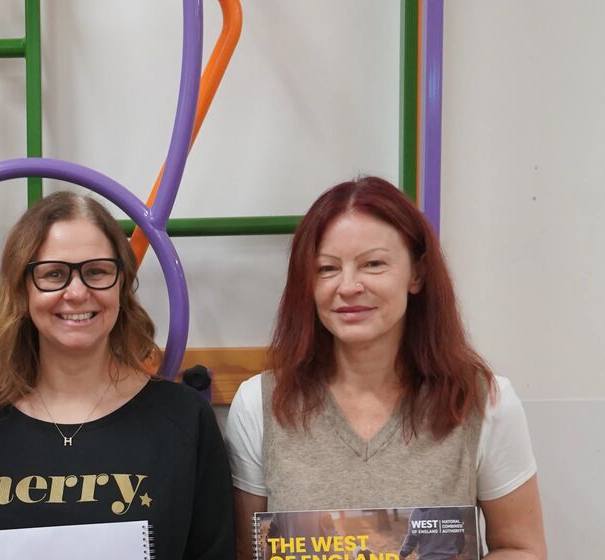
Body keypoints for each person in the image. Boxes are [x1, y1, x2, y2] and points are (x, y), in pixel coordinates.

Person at [224, 177, 547, 559]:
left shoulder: (485, 401)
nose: (348, 286)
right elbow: (248, 553)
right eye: (327, 269)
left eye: (373, 264)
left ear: (416, 274)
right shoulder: (259, 405)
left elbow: (521, 547)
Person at [0, 192, 234, 559]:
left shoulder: (184, 419)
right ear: (22, 290)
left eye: (97, 271)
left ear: (122, 284)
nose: (77, 292)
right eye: (53, 274)